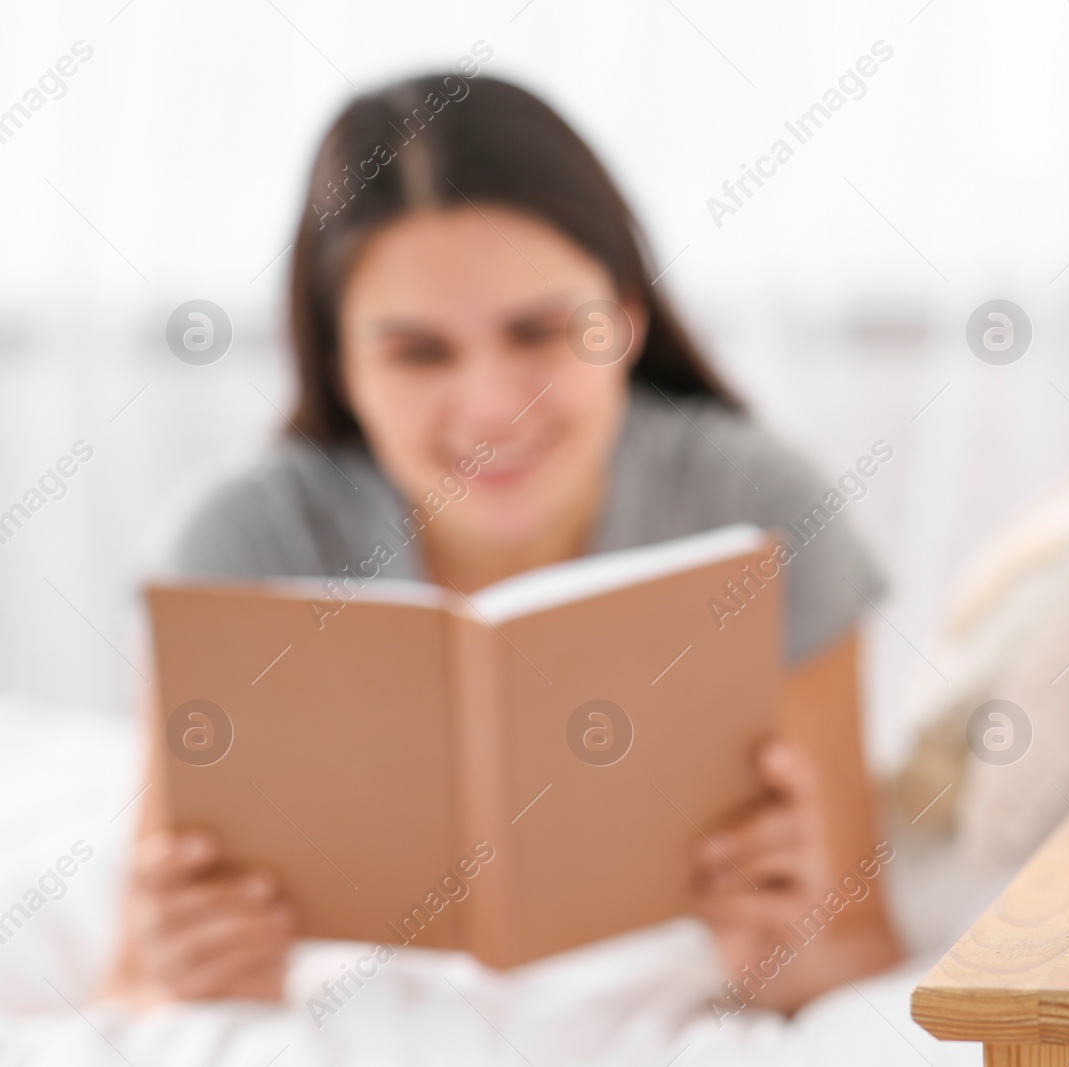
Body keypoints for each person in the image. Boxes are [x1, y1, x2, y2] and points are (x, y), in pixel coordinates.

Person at [106, 72, 901, 1011]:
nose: (492, 406)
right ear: (342, 367)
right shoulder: (238, 545)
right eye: (417, 351)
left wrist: (785, 948)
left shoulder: (763, 508)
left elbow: (858, 947)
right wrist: (183, 972)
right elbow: (130, 985)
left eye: (542, 331)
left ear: (628, 322)